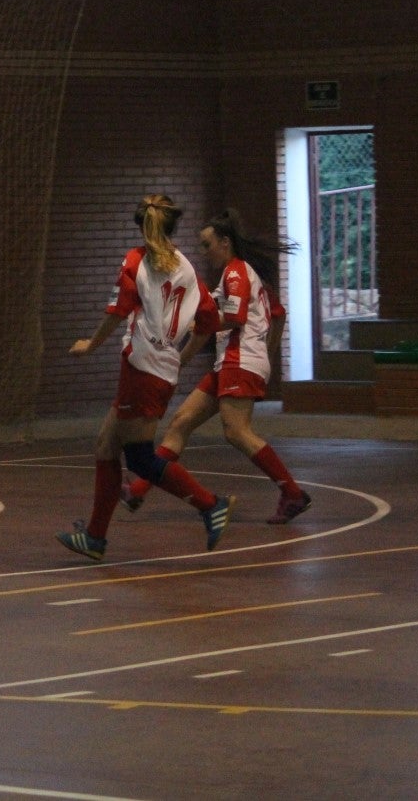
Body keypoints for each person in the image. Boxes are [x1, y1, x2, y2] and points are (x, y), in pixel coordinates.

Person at [56, 195, 234, 562]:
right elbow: (209, 324)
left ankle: (209, 504)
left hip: (142, 370)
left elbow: (117, 311)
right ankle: (95, 536)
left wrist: (91, 345)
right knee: (106, 445)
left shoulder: (136, 261)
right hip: (157, 369)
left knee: (138, 459)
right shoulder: (187, 269)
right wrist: (179, 359)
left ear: (142, 225)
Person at [121, 208, 311, 524]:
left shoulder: (236, 272)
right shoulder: (244, 275)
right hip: (234, 362)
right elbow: (277, 314)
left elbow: (234, 319)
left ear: (225, 242)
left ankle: (292, 492)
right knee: (181, 421)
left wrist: (218, 332)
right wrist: (267, 356)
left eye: (208, 244)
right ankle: (138, 489)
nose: (204, 251)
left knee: (237, 432)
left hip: (239, 361)